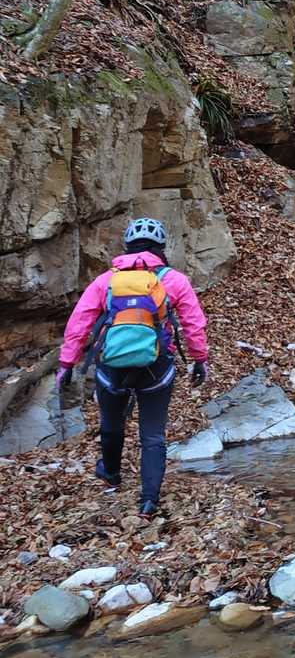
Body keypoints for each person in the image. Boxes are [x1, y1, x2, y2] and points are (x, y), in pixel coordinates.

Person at [56, 218, 210, 516]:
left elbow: (79, 323)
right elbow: (193, 324)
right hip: (156, 368)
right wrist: (199, 359)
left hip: (111, 367)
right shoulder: (175, 280)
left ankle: (111, 474)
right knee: (153, 434)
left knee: (111, 423)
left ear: (127, 247)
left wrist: (67, 363)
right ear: (161, 247)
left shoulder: (106, 280)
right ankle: (149, 500)